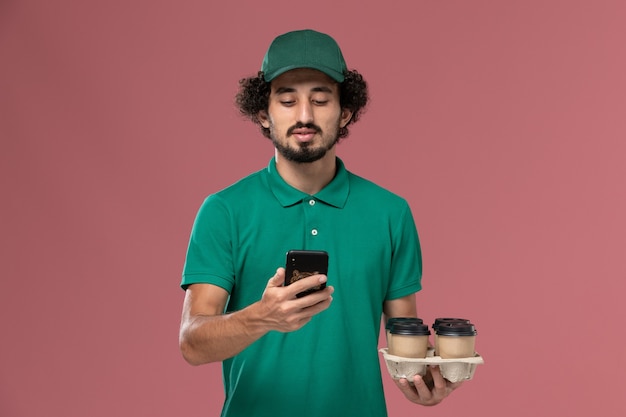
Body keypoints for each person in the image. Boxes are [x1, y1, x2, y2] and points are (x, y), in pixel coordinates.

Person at [179, 29, 462, 417]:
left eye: (320, 99)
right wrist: (262, 316)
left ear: (345, 111)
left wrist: (423, 381)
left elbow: (404, 342)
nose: (304, 116)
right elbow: (193, 343)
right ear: (263, 112)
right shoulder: (224, 210)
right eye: (287, 99)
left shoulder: (390, 213)